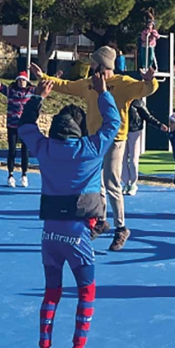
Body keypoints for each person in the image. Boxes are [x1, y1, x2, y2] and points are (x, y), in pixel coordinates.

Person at [18, 75, 116, 348]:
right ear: (79, 129)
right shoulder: (90, 149)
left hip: (50, 233)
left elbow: (25, 127)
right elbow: (112, 124)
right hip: (78, 234)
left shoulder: (44, 150)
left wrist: (37, 97)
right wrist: (102, 93)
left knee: (51, 293)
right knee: (86, 293)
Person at [30, 46, 158, 252]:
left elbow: (146, 90)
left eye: (93, 64)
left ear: (103, 65)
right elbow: (66, 85)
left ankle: (121, 227)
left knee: (111, 183)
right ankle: (100, 220)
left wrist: (150, 79)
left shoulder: (123, 83)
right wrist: (42, 76)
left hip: (115, 139)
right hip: (93, 140)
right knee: (94, 183)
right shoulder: (88, 84)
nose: (90, 67)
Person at [0, 67, 36, 188]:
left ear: (27, 81)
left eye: (23, 80)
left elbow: (44, 88)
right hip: (12, 126)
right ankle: (10, 175)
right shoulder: (11, 91)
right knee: (12, 150)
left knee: (25, 151)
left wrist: (55, 77)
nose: (21, 82)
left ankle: (24, 175)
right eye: (19, 80)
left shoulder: (31, 92)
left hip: (25, 126)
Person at [123, 98, 166, 196]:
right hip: (121, 132)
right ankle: (126, 183)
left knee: (134, 158)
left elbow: (147, 116)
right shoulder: (119, 100)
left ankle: (133, 184)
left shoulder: (137, 103)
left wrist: (159, 125)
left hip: (134, 130)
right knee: (122, 159)